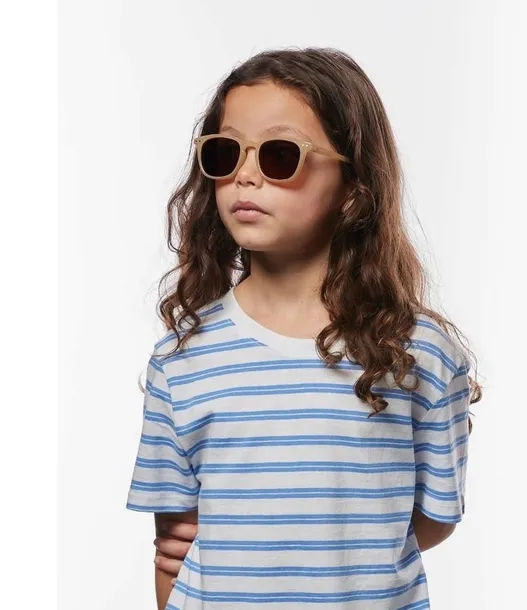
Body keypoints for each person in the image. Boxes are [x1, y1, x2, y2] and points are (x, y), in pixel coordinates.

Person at [126, 46, 482, 610]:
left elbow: (433, 519)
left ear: (353, 186)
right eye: (224, 153)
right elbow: (174, 547)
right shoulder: (182, 360)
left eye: (279, 155)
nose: (245, 175)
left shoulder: (419, 353)